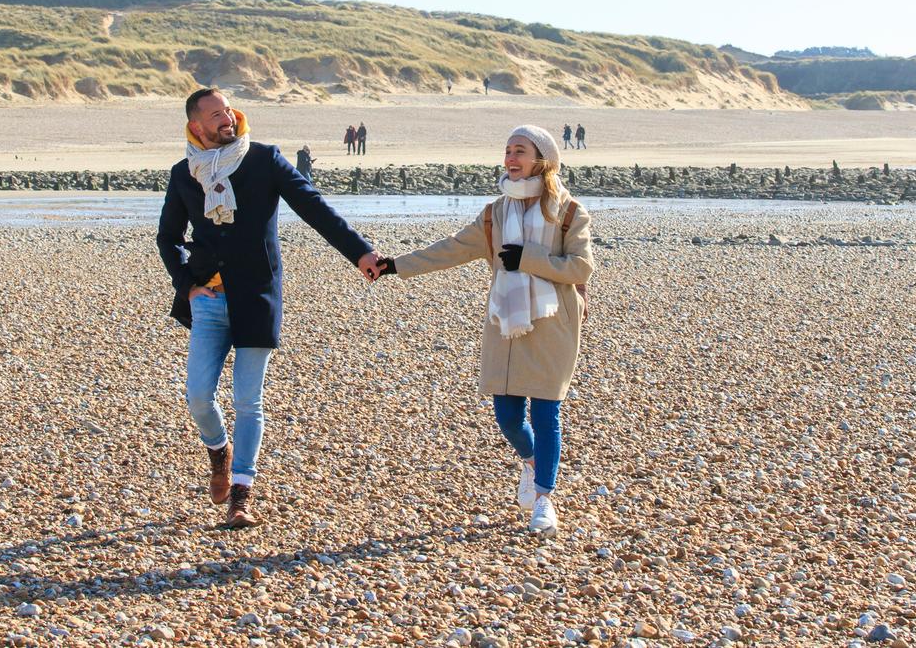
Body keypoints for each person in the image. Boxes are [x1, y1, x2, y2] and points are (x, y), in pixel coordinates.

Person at [157, 89, 382, 528]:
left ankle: (242, 493)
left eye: (228, 110)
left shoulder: (263, 159)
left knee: (248, 400)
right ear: (196, 125)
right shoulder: (184, 173)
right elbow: (168, 238)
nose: (226, 118)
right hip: (208, 298)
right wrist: (186, 286)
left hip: (256, 297)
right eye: (215, 114)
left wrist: (361, 254)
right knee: (198, 396)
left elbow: (315, 207)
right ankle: (218, 451)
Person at [373, 126, 592, 535]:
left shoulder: (568, 212)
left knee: (546, 412)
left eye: (520, 151)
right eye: (508, 149)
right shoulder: (494, 213)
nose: (510, 157)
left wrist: (528, 258)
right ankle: (530, 460)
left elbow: (580, 268)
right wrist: (395, 264)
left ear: (542, 159)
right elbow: (451, 248)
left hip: (553, 324)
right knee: (507, 416)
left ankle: (544, 498)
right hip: (505, 321)